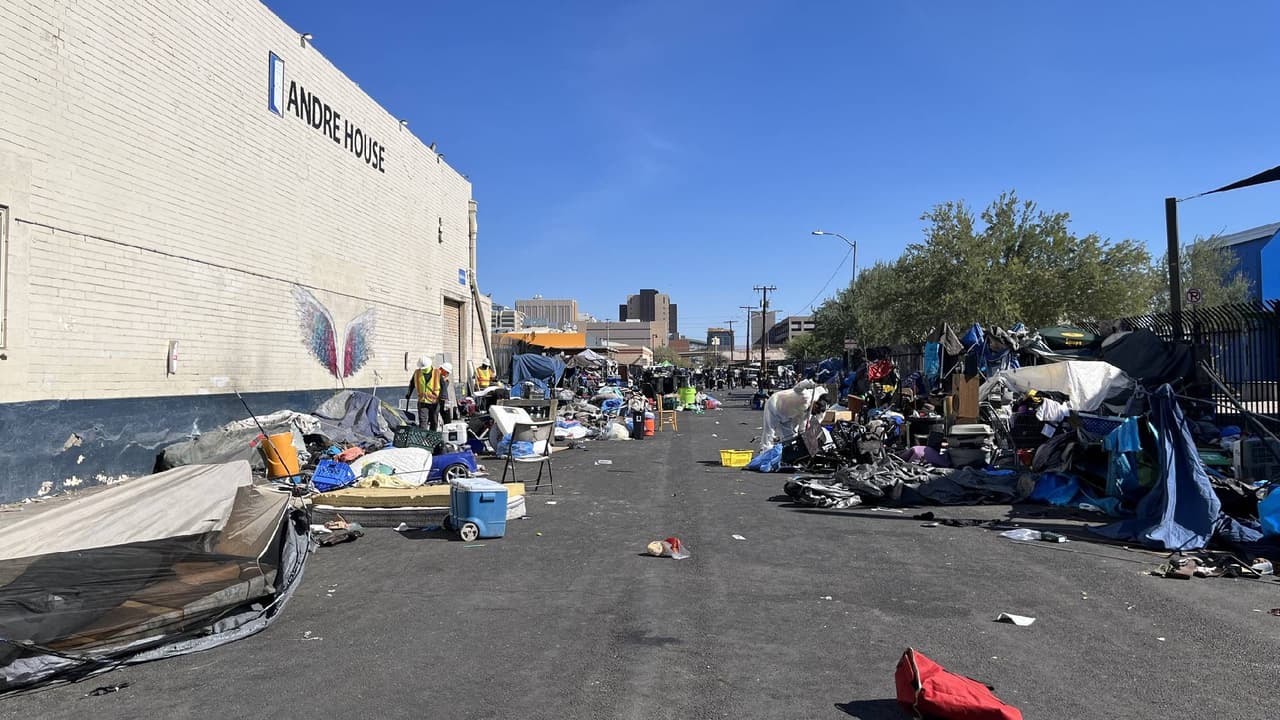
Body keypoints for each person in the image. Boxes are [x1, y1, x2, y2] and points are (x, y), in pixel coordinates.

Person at [406, 358, 453, 431]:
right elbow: (412, 384)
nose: (447, 374)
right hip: (422, 401)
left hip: (434, 402)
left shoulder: (437, 374)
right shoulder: (417, 373)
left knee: (434, 421)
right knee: (423, 421)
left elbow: (443, 387)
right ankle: (423, 436)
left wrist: (444, 399)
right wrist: (409, 394)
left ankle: (432, 436)